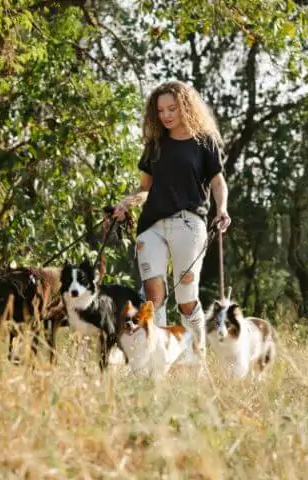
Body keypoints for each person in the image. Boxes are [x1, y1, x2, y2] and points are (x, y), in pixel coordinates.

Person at [111, 80, 231, 360]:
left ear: (185, 107)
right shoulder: (155, 145)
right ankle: (158, 359)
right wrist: (127, 202)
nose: (165, 115)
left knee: (186, 298)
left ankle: (195, 360)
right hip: (151, 227)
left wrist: (222, 209)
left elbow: (217, 182)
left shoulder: (205, 142)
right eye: (161, 110)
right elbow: (145, 189)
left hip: (188, 225)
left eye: (172, 109)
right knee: (153, 295)